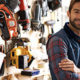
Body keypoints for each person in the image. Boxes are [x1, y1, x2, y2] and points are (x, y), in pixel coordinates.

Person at [46, 0, 80, 80]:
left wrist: (78, 70)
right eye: (76, 12)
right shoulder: (57, 40)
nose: (79, 16)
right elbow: (67, 78)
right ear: (68, 13)